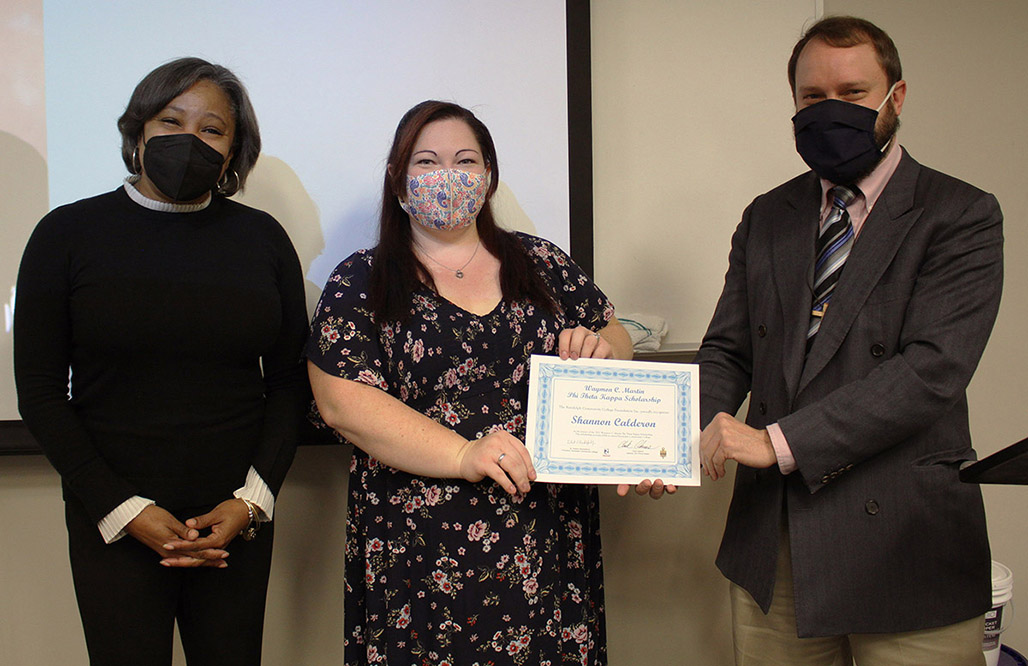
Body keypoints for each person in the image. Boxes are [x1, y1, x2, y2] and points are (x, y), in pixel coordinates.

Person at [695, 16, 1002, 666]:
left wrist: (773, 441)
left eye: (854, 93)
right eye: (813, 97)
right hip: (773, 550)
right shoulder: (766, 216)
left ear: (897, 96)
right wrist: (669, 441)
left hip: (906, 547)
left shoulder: (962, 214)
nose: (831, 109)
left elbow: (929, 374)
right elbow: (728, 352)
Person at [306, 100, 641, 665]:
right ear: (398, 178)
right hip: (416, 548)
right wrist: (464, 453)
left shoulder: (540, 262)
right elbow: (342, 402)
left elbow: (616, 333)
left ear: (488, 176)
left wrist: (604, 349)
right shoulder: (361, 278)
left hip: (546, 536)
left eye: (465, 161)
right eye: (427, 161)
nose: (448, 176)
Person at [14, 57, 308, 665]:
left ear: (233, 152)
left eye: (212, 129)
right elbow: (40, 393)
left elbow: (287, 383)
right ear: (138, 133)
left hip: (234, 521)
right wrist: (126, 510)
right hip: (115, 522)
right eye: (170, 120)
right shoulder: (65, 235)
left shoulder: (263, 240)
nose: (188, 140)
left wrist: (250, 503)